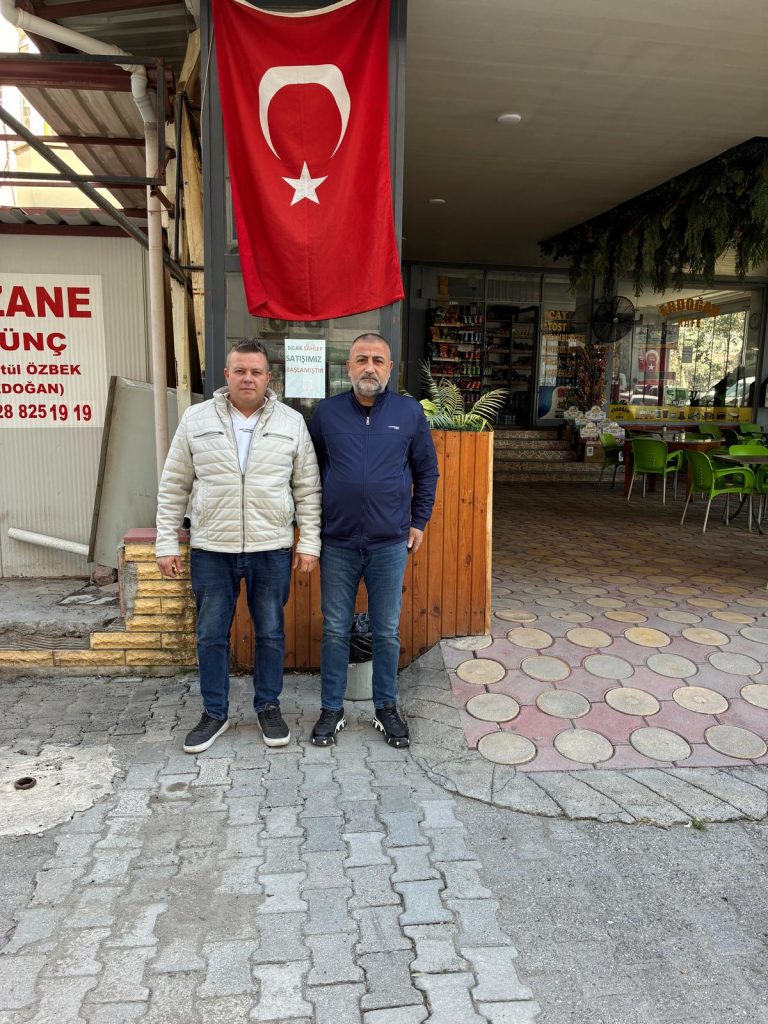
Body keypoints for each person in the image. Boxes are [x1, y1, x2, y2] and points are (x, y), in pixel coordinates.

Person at [155, 339, 321, 754]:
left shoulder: (291, 422)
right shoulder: (196, 419)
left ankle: (268, 706)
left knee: (270, 632)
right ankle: (215, 712)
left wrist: (309, 542)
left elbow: (307, 488)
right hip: (212, 547)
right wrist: (165, 542)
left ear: (269, 377)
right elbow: (174, 485)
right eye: (240, 371)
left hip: (271, 547)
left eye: (256, 371)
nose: (248, 378)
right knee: (211, 634)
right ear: (226, 375)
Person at [308, 333, 439, 748]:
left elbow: (427, 471)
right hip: (337, 542)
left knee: (385, 631)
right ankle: (332, 709)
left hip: (389, 543)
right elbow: (310, 473)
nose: (370, 367)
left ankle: (385, 707)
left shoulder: (408, 412)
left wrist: (419, 520)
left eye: (378, 360)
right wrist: (310, 527)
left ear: (390, 368)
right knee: (334, 629)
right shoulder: (327, 413)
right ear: (348, 367)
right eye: (361, 359)